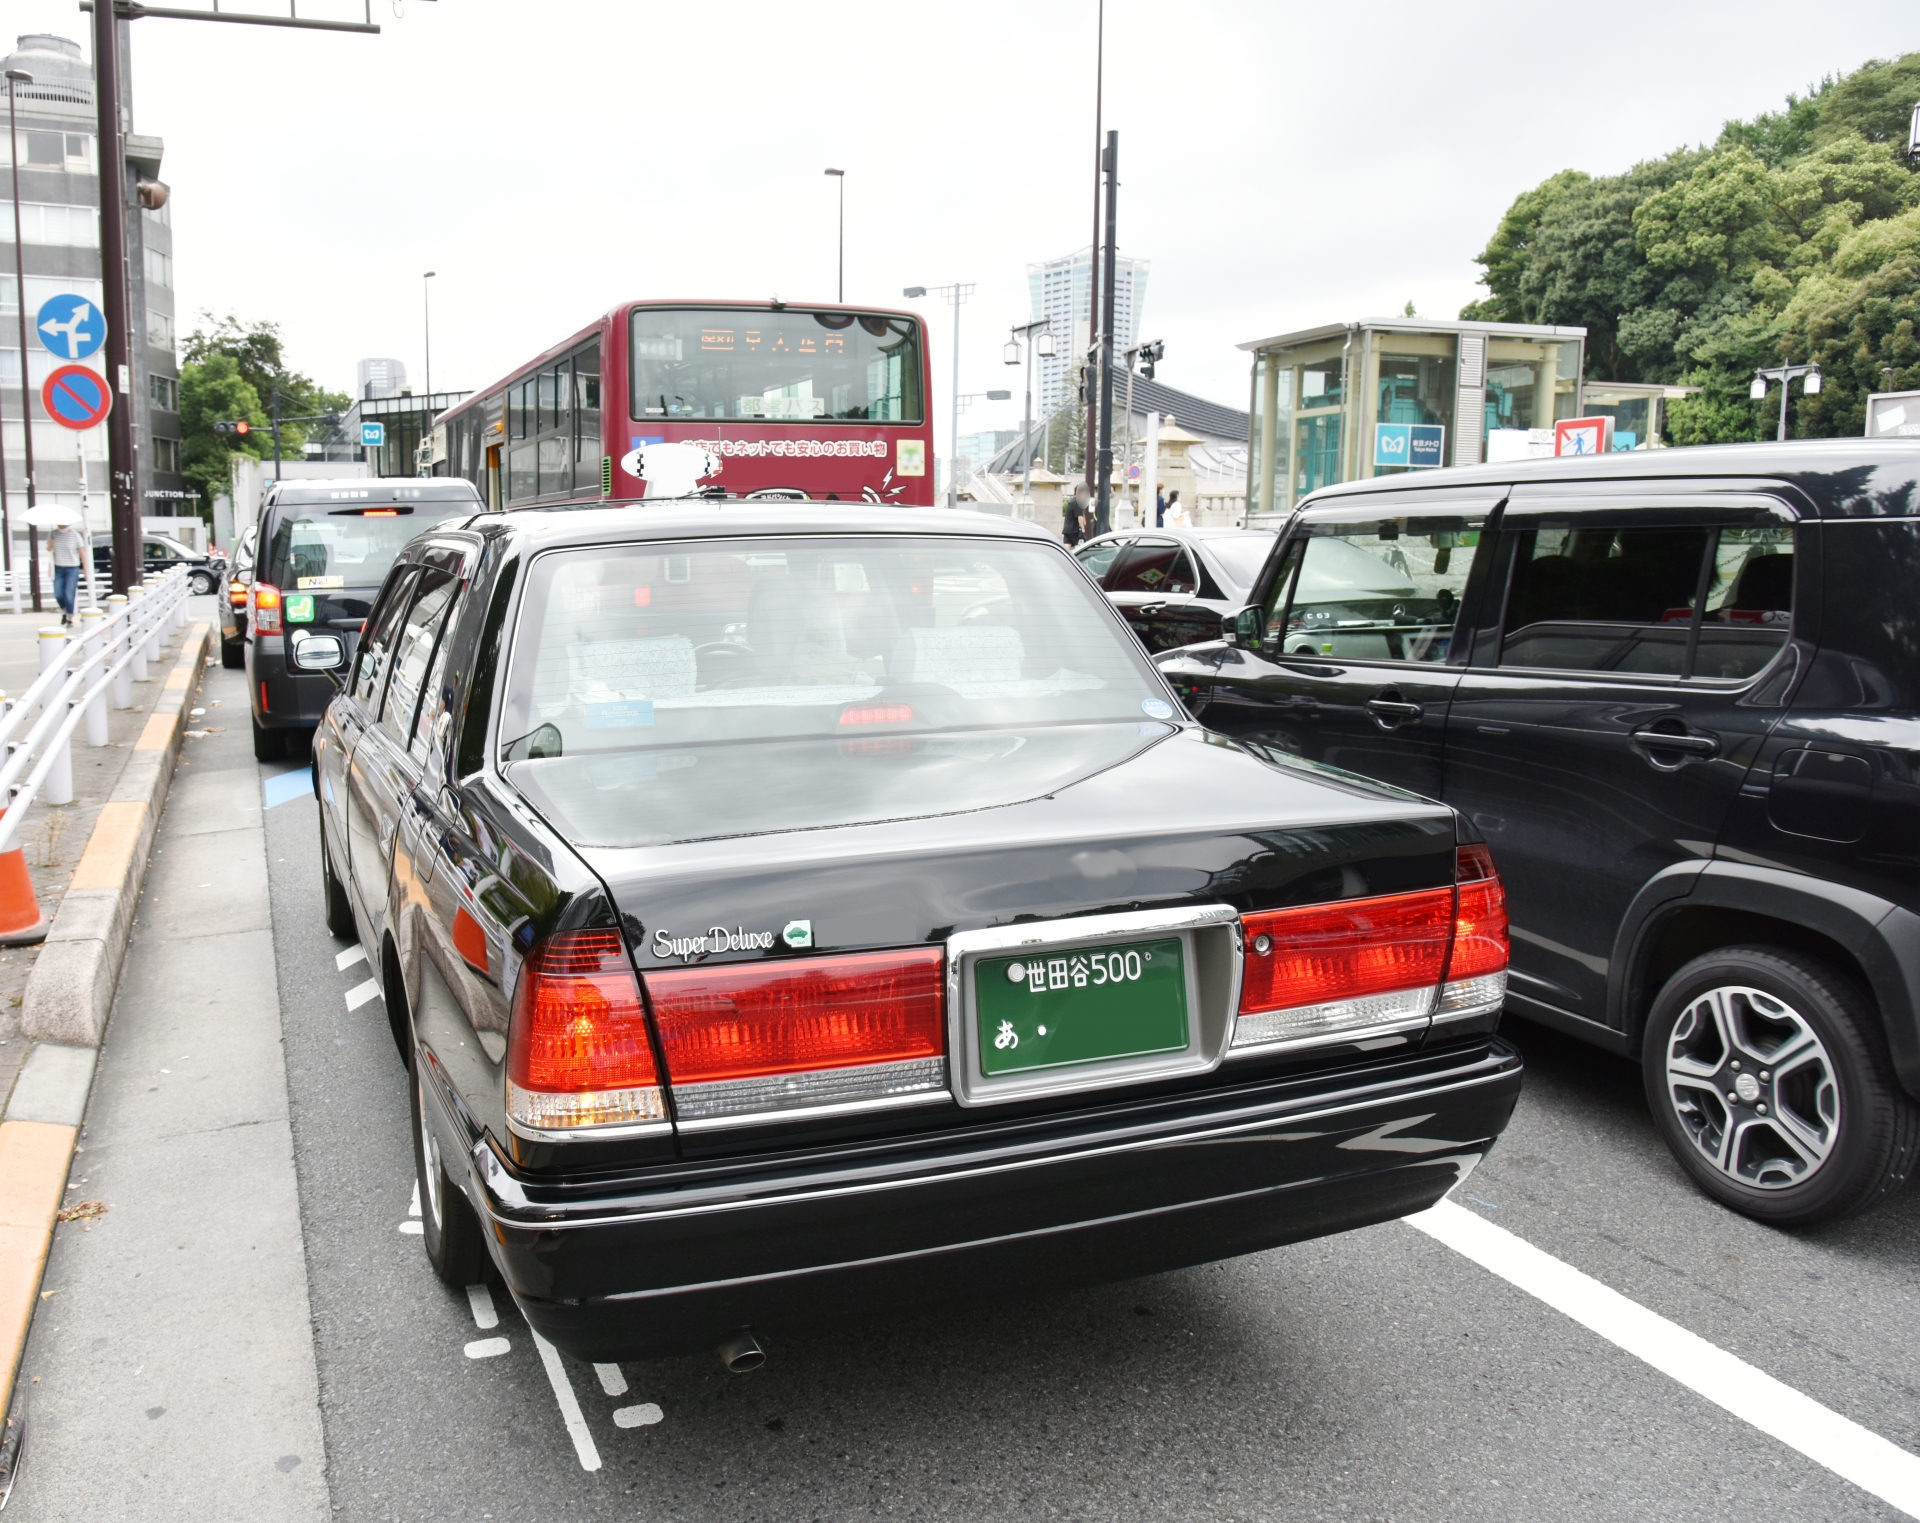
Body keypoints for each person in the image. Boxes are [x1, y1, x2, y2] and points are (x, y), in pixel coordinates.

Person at [48, 517, 85, 625]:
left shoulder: (75, 535)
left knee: (69, 594)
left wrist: (86, 570)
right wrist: (51, 543)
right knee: (58, 594)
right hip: (58, 568)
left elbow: (82, 553)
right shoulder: (53, 533)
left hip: (72, 568)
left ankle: (69, 617)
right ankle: (64, 610)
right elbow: (48, 549)